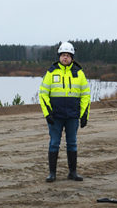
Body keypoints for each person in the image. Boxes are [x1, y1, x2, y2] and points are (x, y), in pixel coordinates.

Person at [38, 42, 91, 182]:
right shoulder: (51, 72)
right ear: (59, 56)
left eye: (68, 55)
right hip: (55, 116)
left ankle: (72, 172)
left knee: (72, 143)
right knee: (54, 143)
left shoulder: (79, 73)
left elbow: (86, 95)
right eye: (63, 55)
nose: (65, 58)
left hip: (72, 116)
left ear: (72, 57)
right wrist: (47, 113)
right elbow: (43, 94)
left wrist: (84, 114)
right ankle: (52, 173)